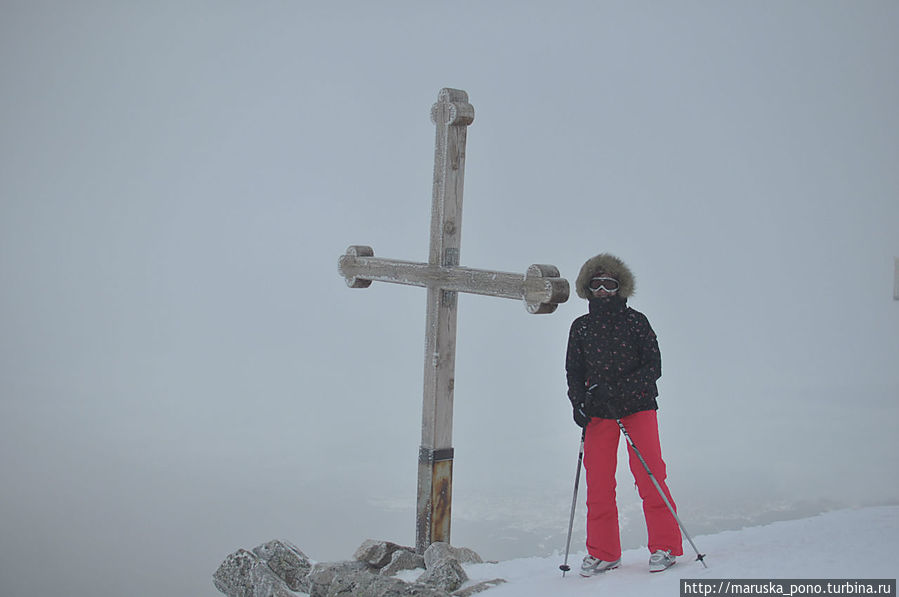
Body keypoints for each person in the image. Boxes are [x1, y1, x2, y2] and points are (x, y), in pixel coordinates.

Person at [565, 253, 683, 575]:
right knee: (598, 483)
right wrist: (578, 404)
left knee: (650, 475)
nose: (603, 290)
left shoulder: (636, 322)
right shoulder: (581, 328)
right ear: (587, 288)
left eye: (609, 284)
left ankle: (666, 546)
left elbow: (653, 367)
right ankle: (604, 552)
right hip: (598, 412)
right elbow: (574, 372)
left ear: (621, 287)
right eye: (596, 284)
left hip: (637, 406)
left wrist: (615, 390)